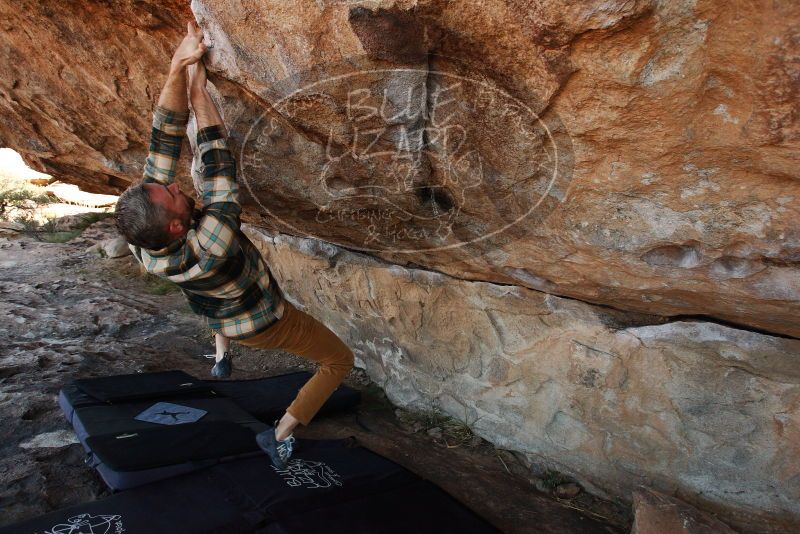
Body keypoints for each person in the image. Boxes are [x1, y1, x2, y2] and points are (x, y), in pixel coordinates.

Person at [114, 22, 354, 469]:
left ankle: (222, 353)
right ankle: (281, 433)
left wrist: (178, 66)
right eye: (173, 195)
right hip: (261, 322)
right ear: (174, 227)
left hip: (216, 305)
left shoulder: (143, 240)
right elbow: (217, 162)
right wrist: (200, 94)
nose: (176, 188)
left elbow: (163, 136)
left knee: (214, 297)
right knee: (339, 360)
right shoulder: (211, 243)